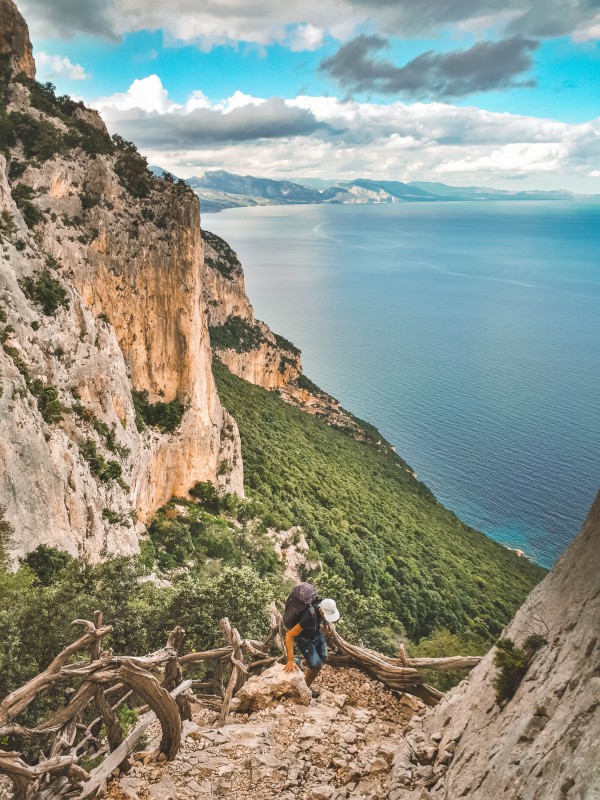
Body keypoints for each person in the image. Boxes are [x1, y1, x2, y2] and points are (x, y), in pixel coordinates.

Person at [284, 597, 340, 697]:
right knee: (316, 666)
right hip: (304, 639)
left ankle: (300, 663)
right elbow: (289, 635)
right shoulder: (308, 617)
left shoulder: (324, 602)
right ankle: (304, 690)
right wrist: (290, 660)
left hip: (315, 632)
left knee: (323, 658)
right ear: (321, 610)